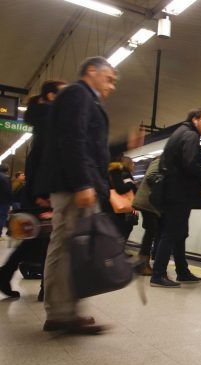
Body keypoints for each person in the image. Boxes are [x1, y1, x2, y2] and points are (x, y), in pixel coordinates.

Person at [41, 56, 118, 334]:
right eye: (109, 79)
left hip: (74, 184)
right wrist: (83, 183)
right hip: (73, 185)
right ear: (91, 71)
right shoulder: (77, 93)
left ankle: (64, 310)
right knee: (66, 248)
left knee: (69, 247)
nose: (112, 86)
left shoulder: (85, 98)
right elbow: (73, 139)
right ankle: (61, 313)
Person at [0, 80, 65, 300]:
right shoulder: (50, 123)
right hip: (43, 195)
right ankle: (47, 290)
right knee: (48, 242)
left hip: (40, 192)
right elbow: (46, 163)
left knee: (35, 241)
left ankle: (7, 276)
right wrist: (42, 196)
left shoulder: (45, 122)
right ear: (50, 96)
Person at [150, 108, 201, 287]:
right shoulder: (190, 136)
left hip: (172, 191)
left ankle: (182, 271)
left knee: (179, 234)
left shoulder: (179, 133)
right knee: (171, 233)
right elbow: (190, 163)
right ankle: (158, 275)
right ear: (194, 120)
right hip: (179, 193)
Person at [132, 157, 162, 276]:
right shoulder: (159, 160)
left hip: (151, 203)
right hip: (147, 202)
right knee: (151, 232)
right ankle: (143, 265)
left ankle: (143, 263)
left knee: (151, 232)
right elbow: (151, 176)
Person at [108, 154, 138, 240]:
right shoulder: (125, 174)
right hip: (123, 205)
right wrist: (131, 184)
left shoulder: (115, 172)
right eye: (132, 163)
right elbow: (121, 189)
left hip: (115, 204)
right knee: (125, 228)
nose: (134, 165)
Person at [0, 165, 11, 240]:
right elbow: (8, 191)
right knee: (2, 217)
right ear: (7, 170)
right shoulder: (6, 178)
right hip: (3, 202)